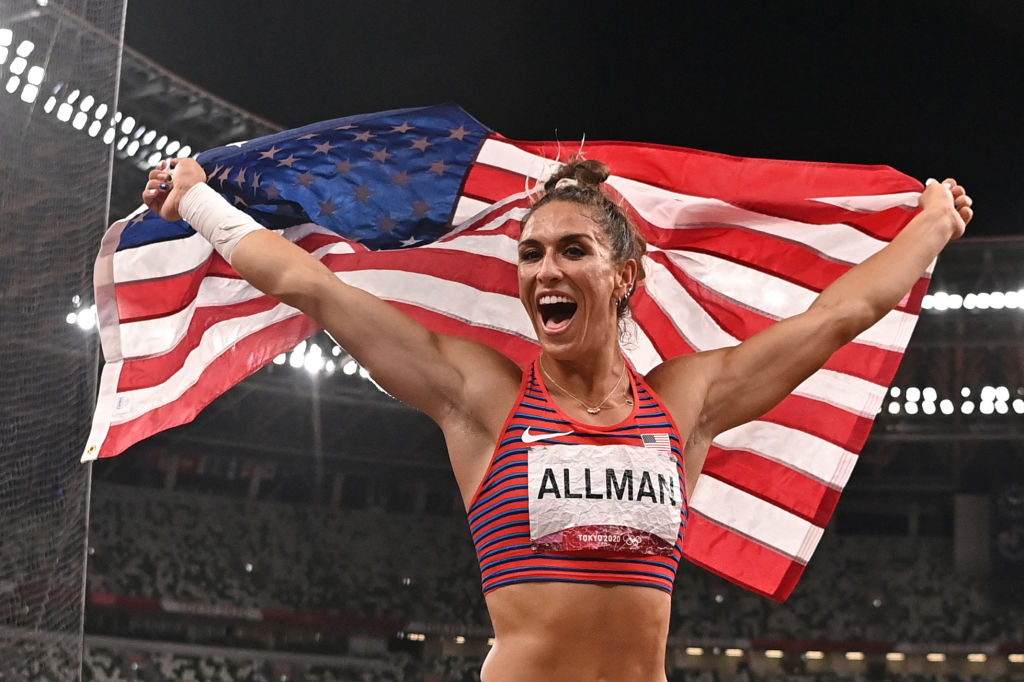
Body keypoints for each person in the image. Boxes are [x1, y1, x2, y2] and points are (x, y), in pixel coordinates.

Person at [144, 156, 972, 681]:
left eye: (574, 250)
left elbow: (838, 315)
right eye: (532, 253)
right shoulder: (484, 398)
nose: (546, 269)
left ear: (624, 276)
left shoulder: (685, 404)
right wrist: (198, 202)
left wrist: (934, 226)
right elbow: (313, 287)